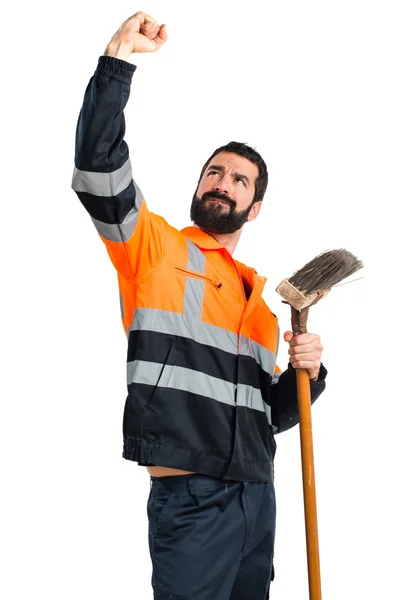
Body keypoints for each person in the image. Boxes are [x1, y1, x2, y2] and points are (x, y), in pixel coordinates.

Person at [72, 11, 327, 600]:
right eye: (214, 172)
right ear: (198, 186)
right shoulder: (154, 247)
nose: (222, 182)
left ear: (253, 207)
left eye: (239, 180)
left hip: (255, 498)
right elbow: (97, 170)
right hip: (191, 496)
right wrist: (117, 62)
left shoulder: (261, 303)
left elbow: (270, 417)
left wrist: (309, 374)